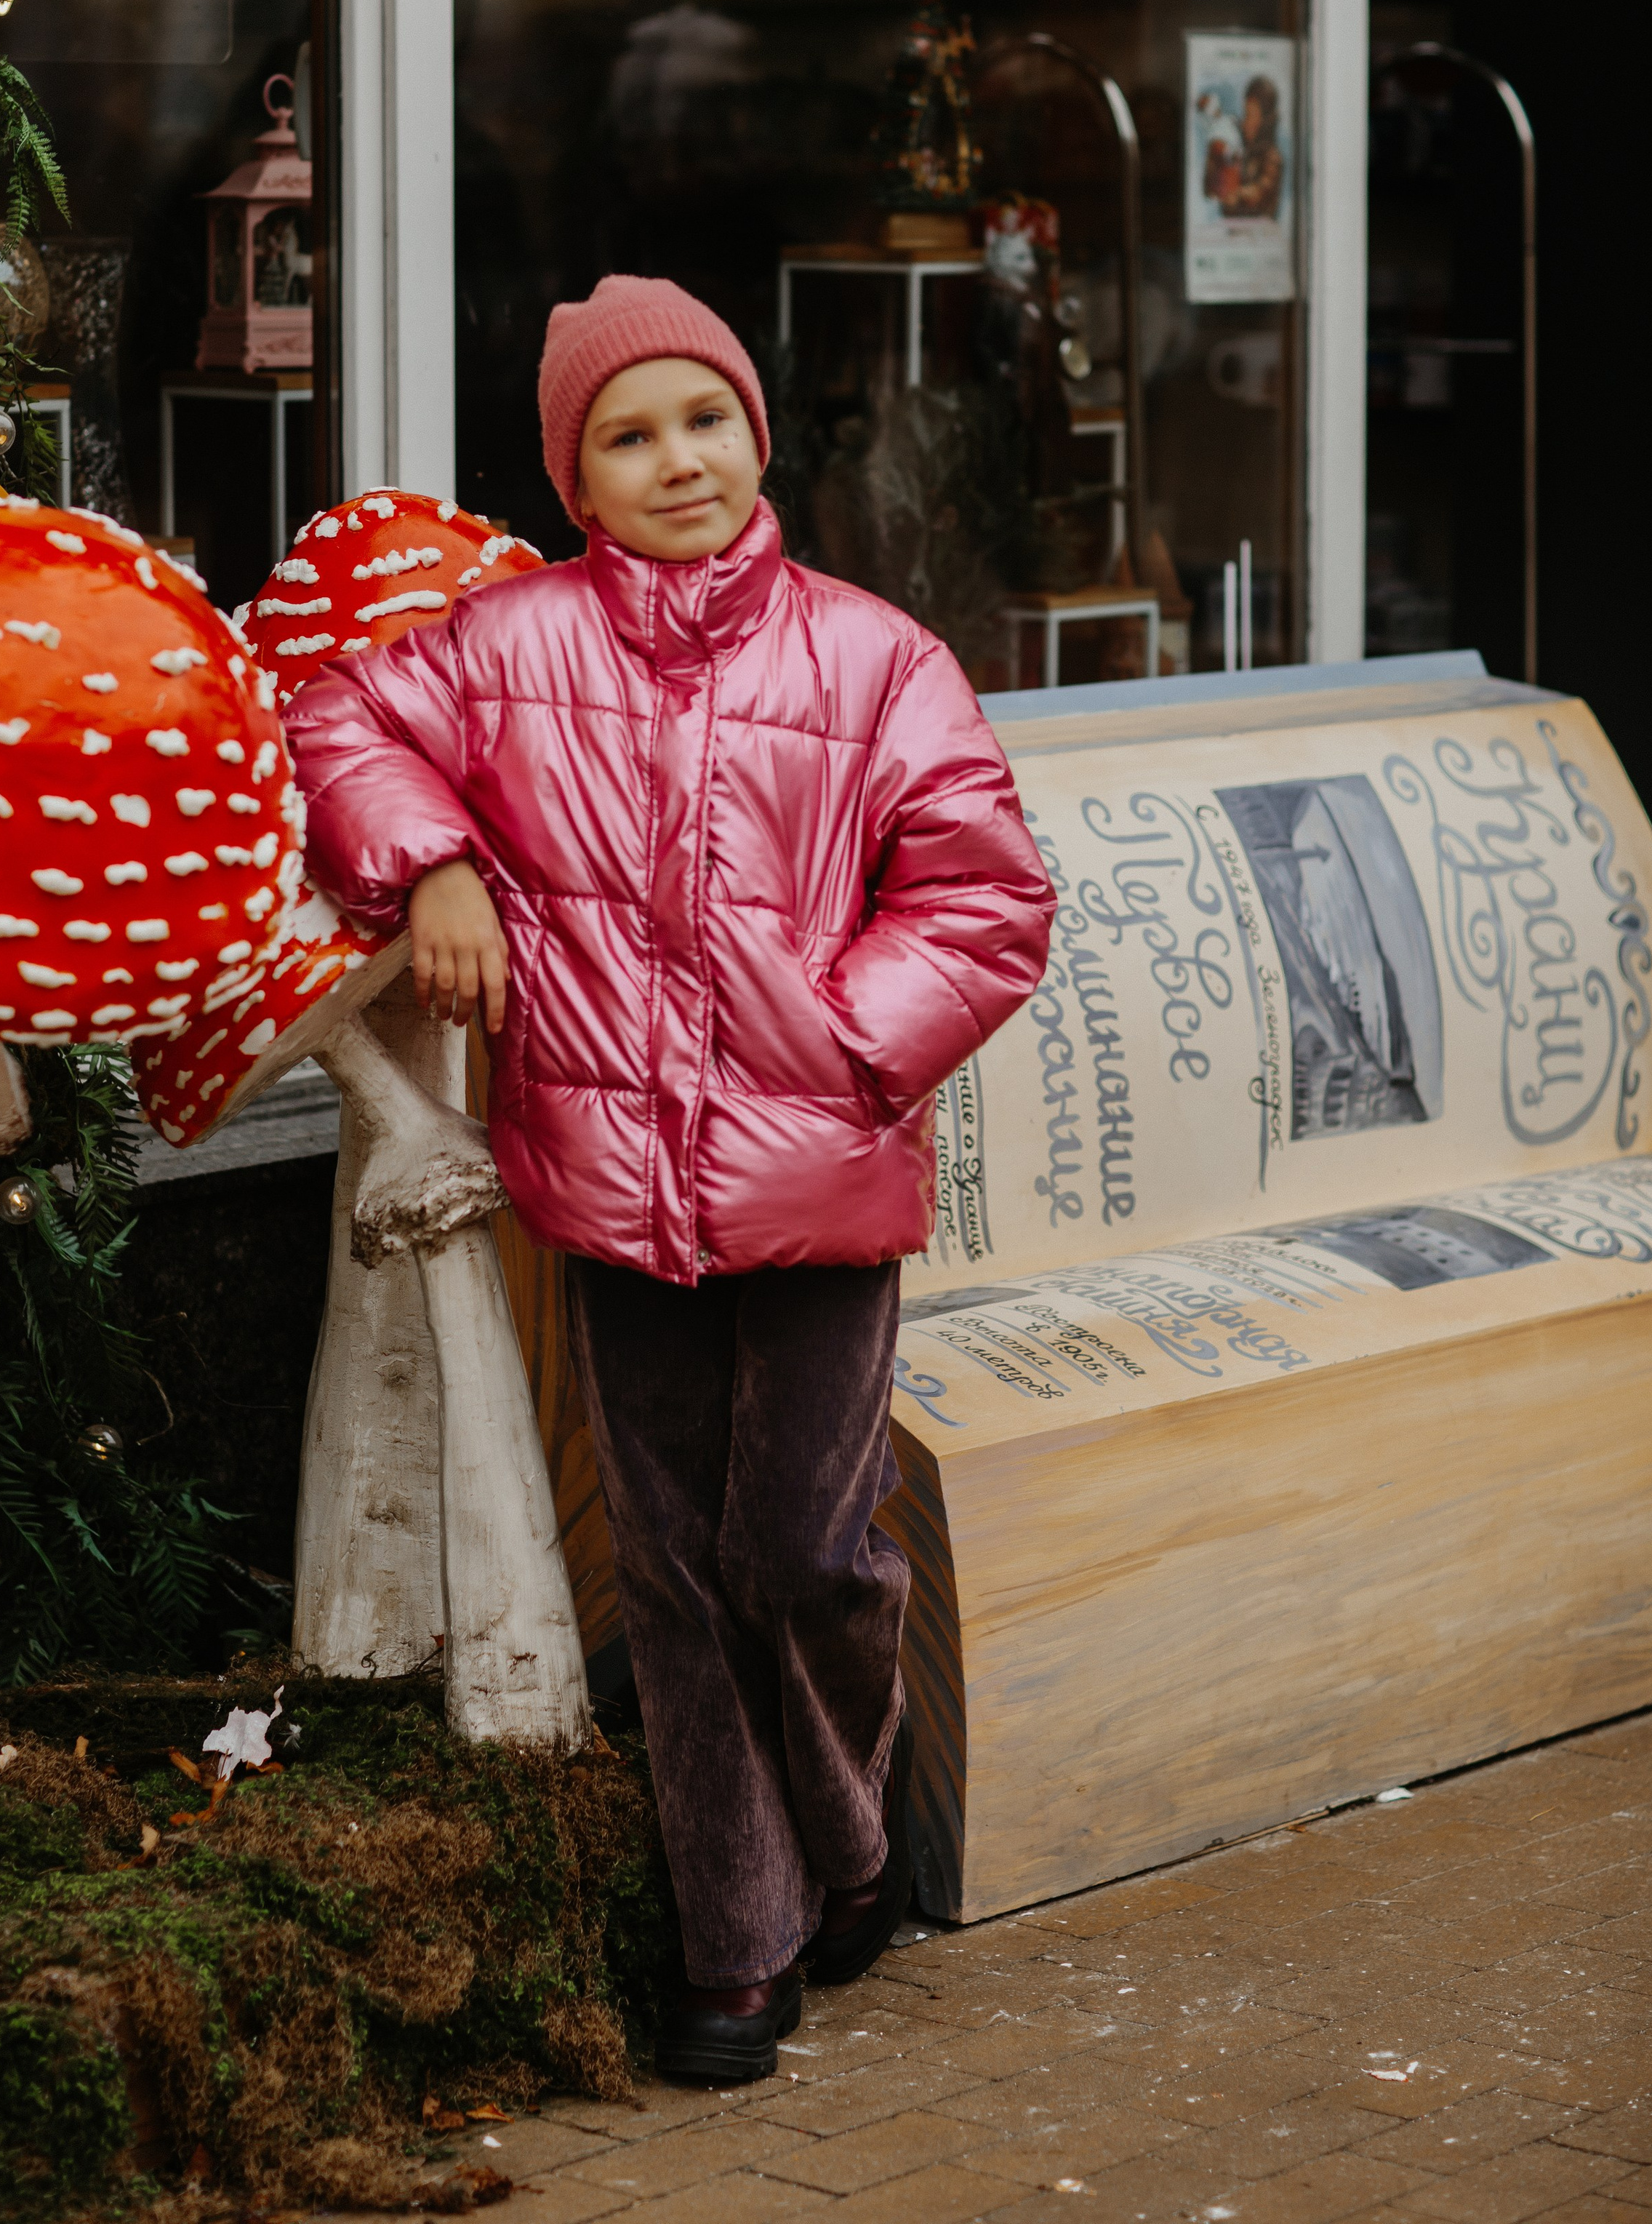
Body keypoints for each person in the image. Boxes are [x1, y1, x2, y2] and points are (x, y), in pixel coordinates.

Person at [287, 276, 1056, 2082]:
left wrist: (840, 1045)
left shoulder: (873, 659)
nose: (675, 461)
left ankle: (852, 1851)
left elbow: (986, 897)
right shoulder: (505, 645)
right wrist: (440, 870)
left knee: (800, 1550)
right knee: (676, 1573)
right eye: (626, 436)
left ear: (753, 431)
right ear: (576, 474)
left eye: (700, 419)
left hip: (818, 1191)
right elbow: (337, 716)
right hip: (606, 1189)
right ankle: (739, 1935)